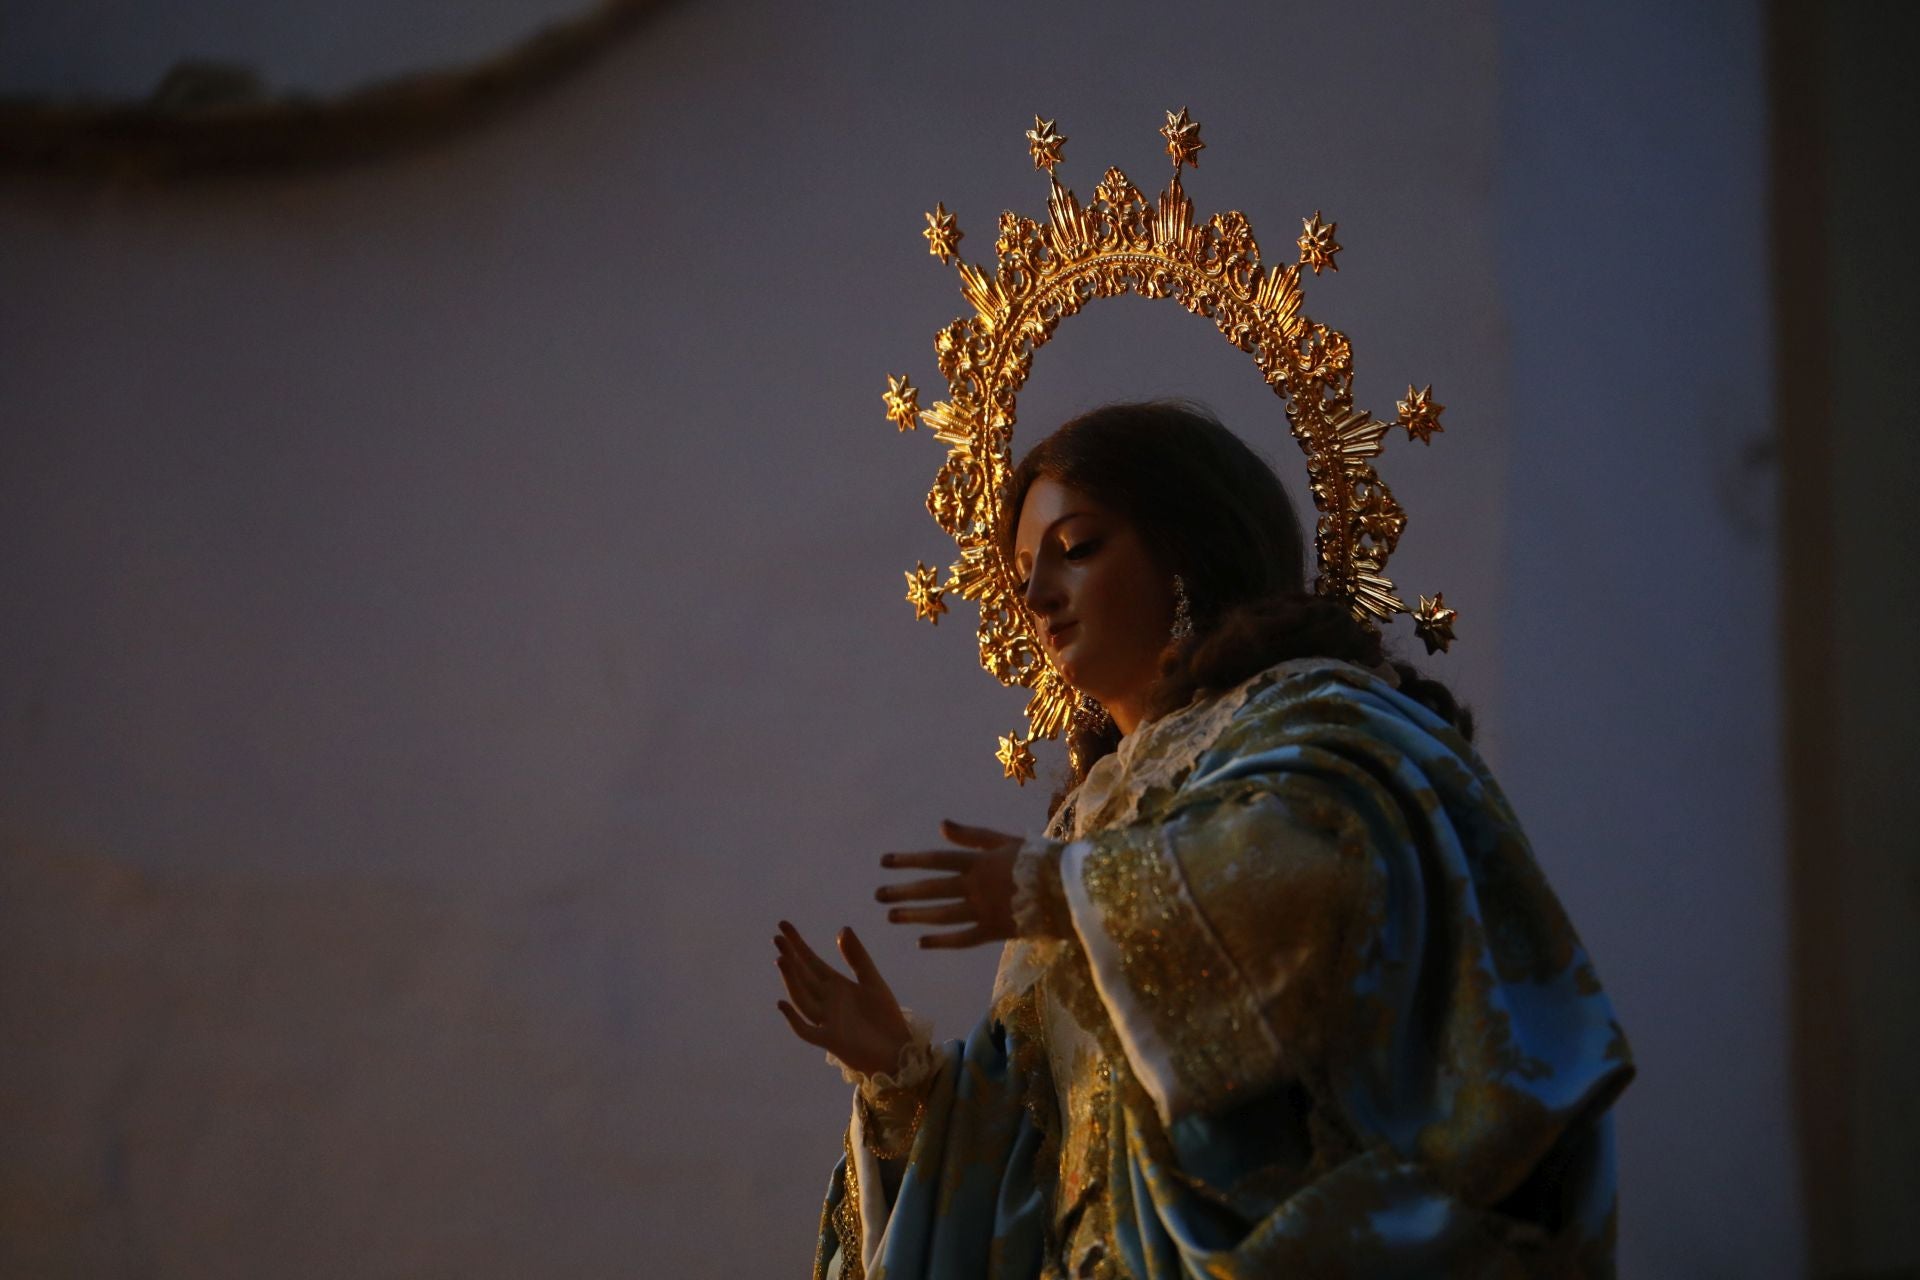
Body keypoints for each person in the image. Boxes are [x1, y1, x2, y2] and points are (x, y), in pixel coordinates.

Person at [774, 402, 1633, 1278]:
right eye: (1022, 569)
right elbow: (1043, 1134)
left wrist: (1069, 891)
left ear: (1187, 548)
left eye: (1075, 549)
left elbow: (1320, 886)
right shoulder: (1085, 823)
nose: (1033, 597)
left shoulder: (1316, 717)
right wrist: (904, 1079)